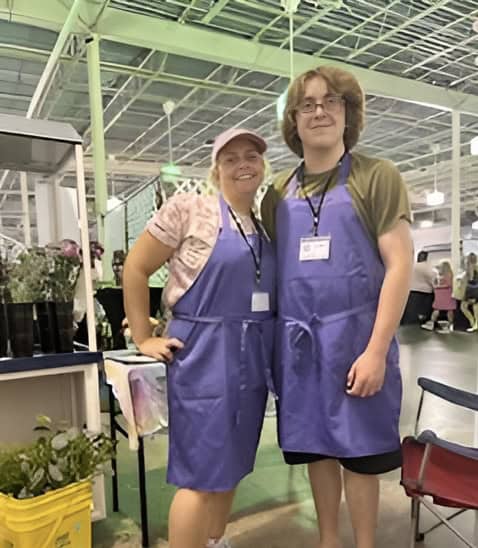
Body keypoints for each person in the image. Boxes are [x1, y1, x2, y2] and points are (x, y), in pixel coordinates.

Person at [261, 66, 413, 548]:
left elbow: (400, 266)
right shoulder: (276, 194)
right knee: (316, 450)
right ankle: (328, 540)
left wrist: (375, 350)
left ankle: (363, 543)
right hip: (300, 351)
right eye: (307, 103)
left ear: (349, 113)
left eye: (331, 101)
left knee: (359, 453)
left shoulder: (377, 177)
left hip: (357, 343)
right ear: (294, 119)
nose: (320, 111)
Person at [123, 128, 276, 548]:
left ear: (262, 165)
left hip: (252, 353)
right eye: (231, 158)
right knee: (201, 471)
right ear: (216, 169)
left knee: (232, 463)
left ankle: (214, 540)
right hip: (204, 352)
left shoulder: (262, 228)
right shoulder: (189, 210)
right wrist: (143, 335)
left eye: (251, 156)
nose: (243, 164)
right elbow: (135, 268)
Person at [421, 260, 456, 333]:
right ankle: (450, 325)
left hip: (441, 293)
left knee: (437, 309)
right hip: (446, 293)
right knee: (448, 310)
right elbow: (450, 285)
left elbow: (448, 284)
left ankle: (432, 324)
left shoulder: (444, 274)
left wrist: (437, 287)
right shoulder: (449, 274)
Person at [402, 250, 435, 324]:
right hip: (424, 293)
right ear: (426, 257)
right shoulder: (426, 267)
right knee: (422, 313)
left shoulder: (412, 266)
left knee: (411, 312)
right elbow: (432, 279)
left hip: (411, 291)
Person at [456, 252, 478, 332]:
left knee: (464, 307)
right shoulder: (475, 267)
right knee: (475, 308)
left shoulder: (468, 269)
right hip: (475, 290)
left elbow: (466, 280)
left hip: (470, 290)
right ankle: (474, 323)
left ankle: (473, 322)